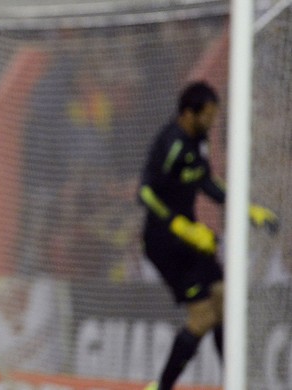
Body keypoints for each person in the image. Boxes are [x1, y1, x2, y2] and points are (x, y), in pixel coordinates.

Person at [138, 81, 277, 390]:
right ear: (189, 113)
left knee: (226, 301)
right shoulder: (170, 144)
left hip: (192, 238)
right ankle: (160, 387)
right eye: (209, 115)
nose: (213, 121)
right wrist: (180, 226)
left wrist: (247, 209)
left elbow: (207, 182)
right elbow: (145, 192)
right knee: (203, 317)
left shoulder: (200, 140)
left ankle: (234, 382)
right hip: (164, 242)